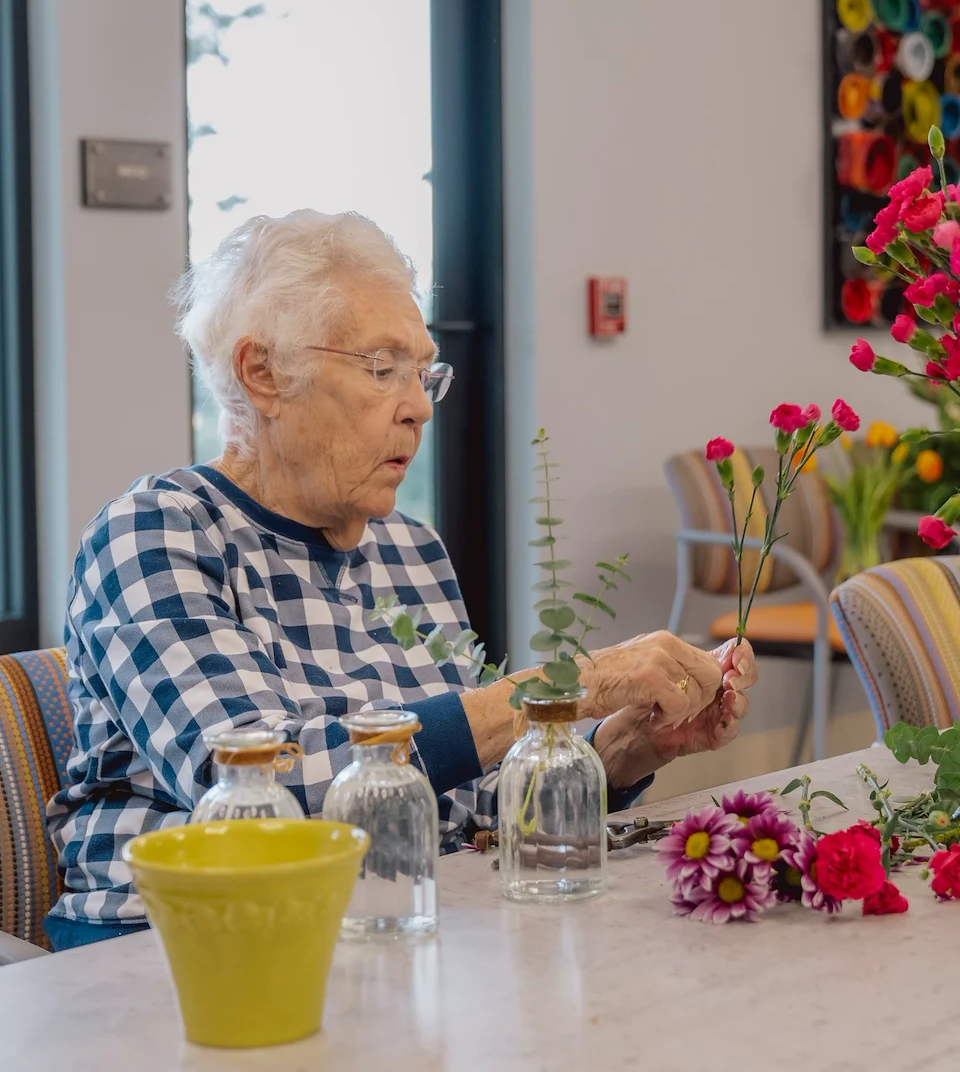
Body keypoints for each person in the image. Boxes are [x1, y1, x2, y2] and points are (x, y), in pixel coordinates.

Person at [45, 211, 757, 950]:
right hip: (174, 955)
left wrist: (621, 748)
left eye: (423, 373)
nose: (417, 406)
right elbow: (262, 804)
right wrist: (568, 686)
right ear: (262, 375)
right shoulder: (157, 533)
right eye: (381, 368)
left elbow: (473, 810)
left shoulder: (409, 548)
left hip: (384, 933)